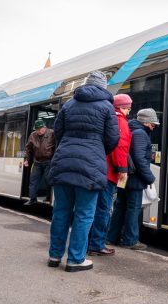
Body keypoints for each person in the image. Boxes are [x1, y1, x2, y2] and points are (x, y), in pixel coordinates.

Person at [47, 71, 119, 272]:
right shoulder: (107, 107)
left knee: (60, 212)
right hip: (91, 165)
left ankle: (54, 256)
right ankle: (75, 259)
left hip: (63, 162)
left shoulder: (69, 104)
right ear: (103, 86)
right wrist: (97, 149)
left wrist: (68, 147)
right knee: (84, 214)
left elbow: (58, 132)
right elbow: (113, 138)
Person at [107, 108, 158, 250]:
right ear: (146, 122)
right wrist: (149, 178)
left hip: (125, 176)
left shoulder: (132, 130)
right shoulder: (141, 134)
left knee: (120, 206)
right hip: (134, 178)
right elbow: (139, 159)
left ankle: (111, 237)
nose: (154, 126)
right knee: (133, 208)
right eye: (153, 123)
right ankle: (130, 240)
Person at [88, 94, 133, 256]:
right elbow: (120, 147)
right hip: (109, 173)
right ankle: (96, 244)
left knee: (93, 208)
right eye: (128, 108)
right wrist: (122, 168)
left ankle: (90, 242)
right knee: (103, 209)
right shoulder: (120, 121)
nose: (129, 111)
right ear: (122, 107)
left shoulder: (106, 118)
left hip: (99, 169)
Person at [23, 119, 55, 205]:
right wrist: (26, 159)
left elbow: (56, 147)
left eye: (39, 129)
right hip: (37, 162)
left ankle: (49, 197)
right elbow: (28, 149)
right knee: (33, 180)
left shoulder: (52, 133)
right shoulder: (32, 135)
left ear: (44, 127)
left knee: (48, 180)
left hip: (48, 161)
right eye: (36, 130)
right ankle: (32, 199)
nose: (38, 132)